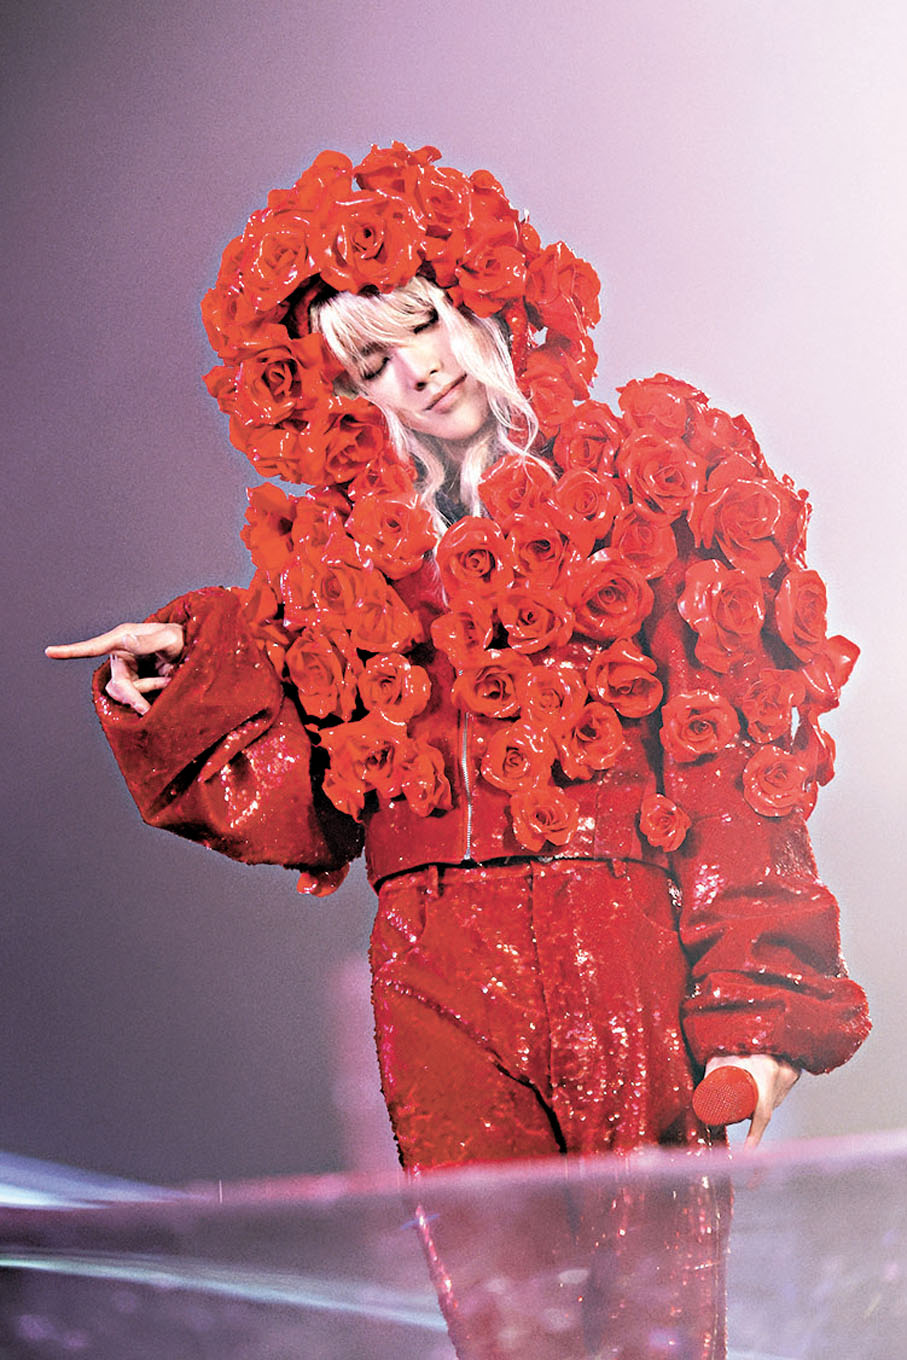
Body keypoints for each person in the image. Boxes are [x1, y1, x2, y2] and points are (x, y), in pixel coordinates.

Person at [47, 142, 870, 1356]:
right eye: (370, 363)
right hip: (432, 968)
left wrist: (754, 1008)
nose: (416, 370)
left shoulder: (643, 492)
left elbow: (728, 753)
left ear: (480, 301)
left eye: (421, 325)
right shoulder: (338, 565)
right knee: (506, 1336)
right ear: (339, 397)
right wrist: (185, 671)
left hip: (618, 936)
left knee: (652, 1334)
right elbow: (307, 797)